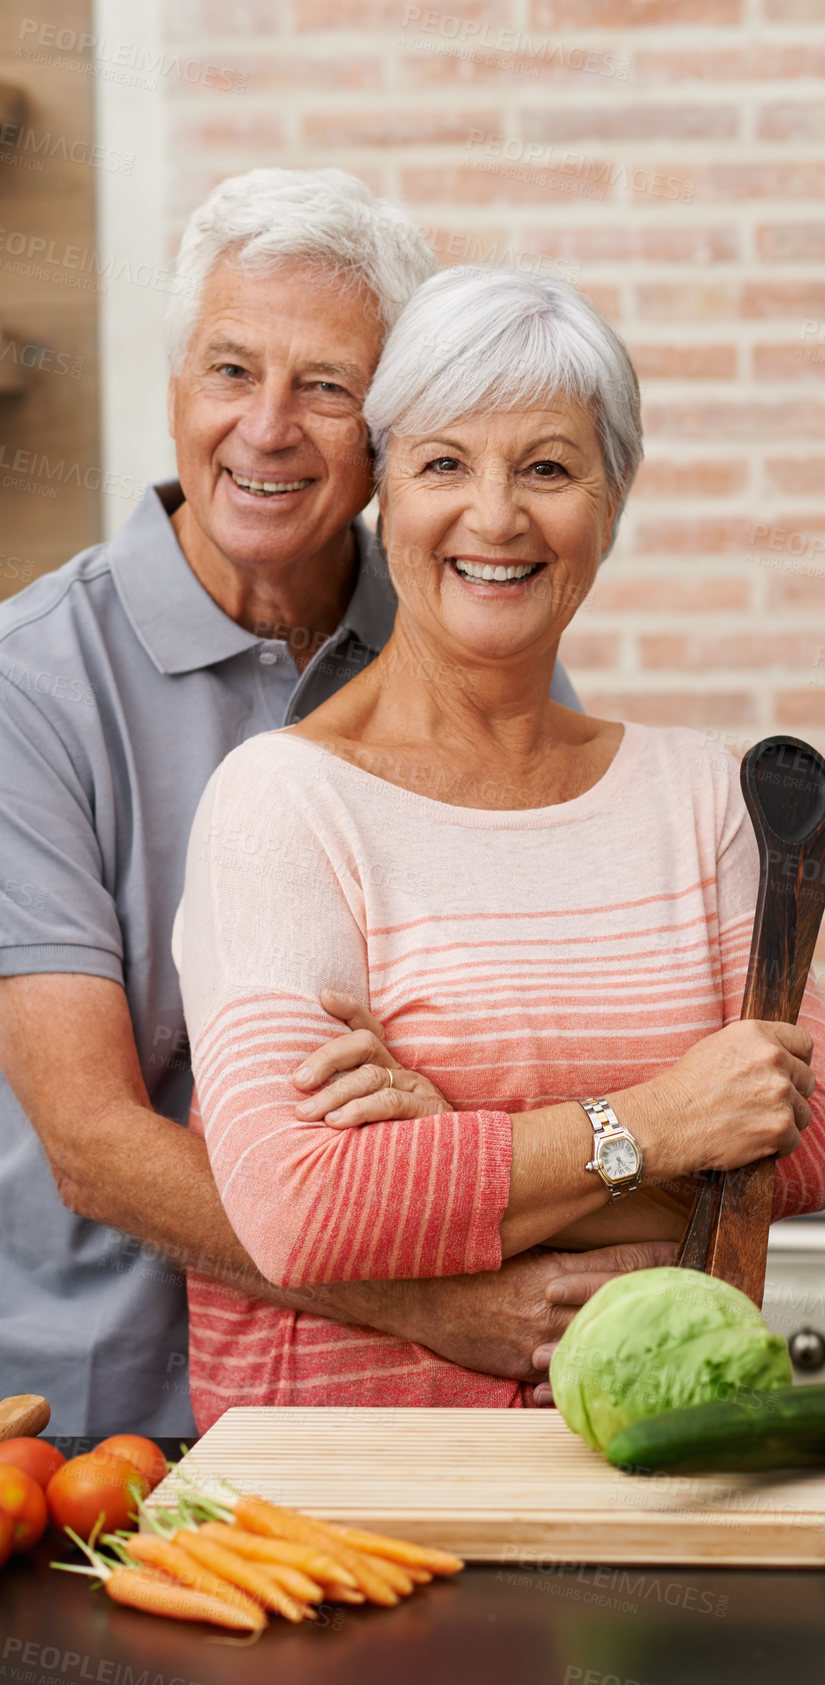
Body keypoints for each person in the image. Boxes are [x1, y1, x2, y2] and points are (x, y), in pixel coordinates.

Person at [0, 170, 637, 1440]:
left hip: (405, 1426)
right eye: (231, 371)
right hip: (112, 1421)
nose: (269, 428)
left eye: (327, 386)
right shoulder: (31, 684)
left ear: (392, 425)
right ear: (177, 385)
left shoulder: (475, 614)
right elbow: (91, 1137)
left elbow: (542, 1045)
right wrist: (428, 1298)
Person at [175, 266, 825, 1431]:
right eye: (444, 464)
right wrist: (655, 1126)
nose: (495, 517)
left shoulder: (708, 798)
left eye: (547, 466)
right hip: (347, 1525)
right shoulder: (283, 803)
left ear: (612, 500)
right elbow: (297, 1204)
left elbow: (801, 1151)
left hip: (655, 1482)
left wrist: (441, 1147)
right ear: (384, 492)